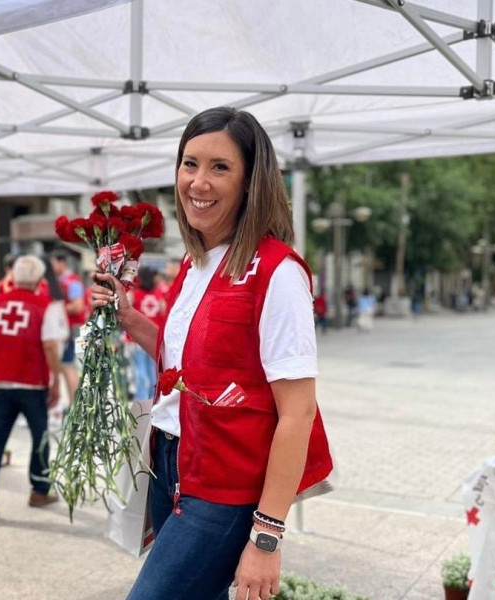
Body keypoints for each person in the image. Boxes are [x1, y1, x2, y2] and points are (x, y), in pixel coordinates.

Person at [90, 107, 332, 600]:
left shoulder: (276, 273)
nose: (198, 182)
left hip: (226, 486)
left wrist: (266, 538)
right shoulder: (195, 259)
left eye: (220, 167)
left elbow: (298, 412)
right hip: (171, 462)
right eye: (189, 163)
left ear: (251, 182)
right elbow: (194, 371)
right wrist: (130, 318)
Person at [0, 255, 67, 518]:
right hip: (32, 383)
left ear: (13, 277)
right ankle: (39, 490)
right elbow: (49, 346)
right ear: (39, 280)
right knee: (39, 437)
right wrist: (55, 381)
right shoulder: (45, 306)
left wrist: (2, 348)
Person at [49, 250, 86, 403]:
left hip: (71, 328)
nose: (51, 267)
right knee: (66, 365)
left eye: (53, 263)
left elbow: (78, 306)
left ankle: (74, 403)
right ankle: (73, 402)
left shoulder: (72, 282)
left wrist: (57, 309)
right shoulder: (63, 281)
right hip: (67, 328)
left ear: (61, 263)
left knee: (67, 365)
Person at [128, 267, 166, 400]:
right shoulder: (158, 295)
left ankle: (141, 400)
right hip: (154, 337)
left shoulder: (135, 294)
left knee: (140, 370)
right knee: (153, 372)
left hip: (136, 339)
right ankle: (153, 399)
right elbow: (164, 312)